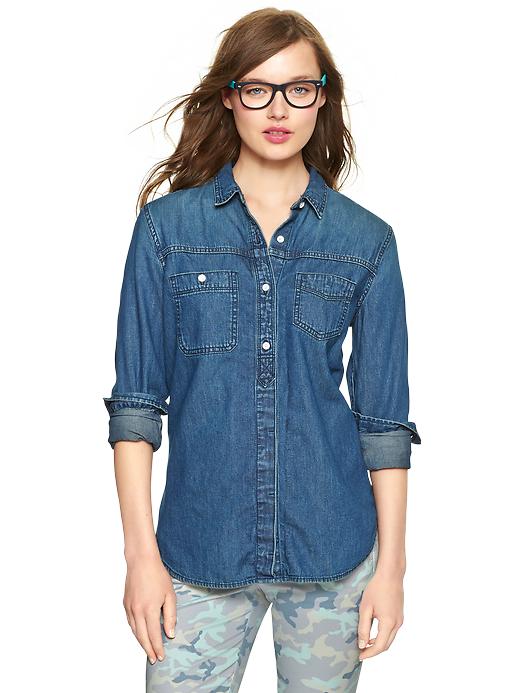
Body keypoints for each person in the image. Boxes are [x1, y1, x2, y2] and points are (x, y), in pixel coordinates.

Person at [102, 8, 421, 692]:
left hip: (333, 549)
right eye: (258, 88)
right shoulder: (166, 231)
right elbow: (136, 407)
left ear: (323, 97)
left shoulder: (365, 241)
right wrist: (140, 558)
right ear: (229, 96)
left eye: (299, 88)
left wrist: (391, 569)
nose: (279, 109)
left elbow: (384, 423)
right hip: (197, 551)